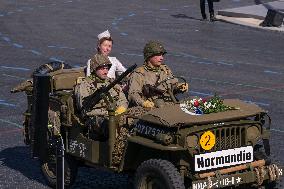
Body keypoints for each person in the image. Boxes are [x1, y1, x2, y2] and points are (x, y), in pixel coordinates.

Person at [128, 41, 189, 108]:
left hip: (170, 104)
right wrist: (144, 103)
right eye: (158, 55)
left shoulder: (165, 69)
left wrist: (179, 87)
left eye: (162, 55)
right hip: (152, 107)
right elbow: (133, 94)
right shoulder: (139, 74)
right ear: (149, 56)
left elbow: (172, 87)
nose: (161, 58)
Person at [75, 54, 128, 119]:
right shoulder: (85, 85)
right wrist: (108, 113)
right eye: (102, 69)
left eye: (107, 68)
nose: (106, 72)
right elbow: (85, 110)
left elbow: (123, 99)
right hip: (96, 118)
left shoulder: (111, 82)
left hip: (115, 114)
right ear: (95, 69)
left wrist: (121, 109)